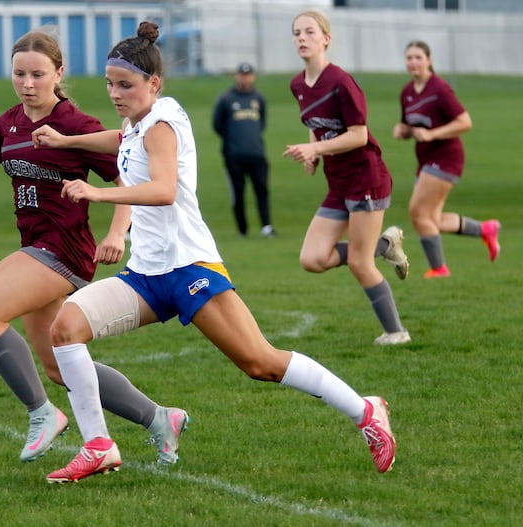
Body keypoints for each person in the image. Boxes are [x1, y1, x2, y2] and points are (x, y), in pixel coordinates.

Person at [31, 21, 397, 484]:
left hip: (189, 269)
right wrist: (67, 141)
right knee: (66, 329)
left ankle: (366, 410)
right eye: (109, 84)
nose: (115, 94)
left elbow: (164, 190)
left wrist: (96, 194)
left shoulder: (161, 124)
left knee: (259, 362)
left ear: (153, 83)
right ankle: (99, 446)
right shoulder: (138, 120)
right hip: (146, 275)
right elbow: (121, 140)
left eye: (125, 85)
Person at [0, 28, 188, 466]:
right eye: (19, 74)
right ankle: (159, 417)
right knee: (58, 366)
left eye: (37, 74)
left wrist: (118, 232)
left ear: (58, 73)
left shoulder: (75, 126)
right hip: (37, 249)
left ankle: (42, 413)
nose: (28, 83)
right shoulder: (9, 122)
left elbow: (129, 178)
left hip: (63, 250)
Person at [282, 10, 411, 346]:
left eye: (309, 32)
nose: (302, 38)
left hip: (366, 179)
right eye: (296, 33)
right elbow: (315, 127)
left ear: (326, 38)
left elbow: (358, 135)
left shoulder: (341, 82)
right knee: (312, 259)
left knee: (358, 261)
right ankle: (387, 244)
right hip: (338, 183)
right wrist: (312, 153)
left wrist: (316, 151)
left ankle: (397, 332)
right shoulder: (298, 84)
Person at [392, 40, 501, 278]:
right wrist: (403, 131)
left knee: (418, 213)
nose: (413, 62)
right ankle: (485, 229)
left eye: (418, 57)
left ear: (429, 60)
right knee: (433, 220)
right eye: (409, 58)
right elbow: (411, 124)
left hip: (446, 158)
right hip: (425, 160)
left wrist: (432, 134)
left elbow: (465, 122)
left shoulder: (439, 88)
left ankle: (439, 269)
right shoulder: (407, 93)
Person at [212, 62, 275, 238]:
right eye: (241, 74)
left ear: (253, 77)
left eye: (248, 75)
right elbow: (217, 125)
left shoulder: (258, 98)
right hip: (234, 155)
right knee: (238, 192)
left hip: (257, 153)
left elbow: (262, 122)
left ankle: (266, 226)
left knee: (262, 189)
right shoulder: (226, 99)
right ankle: (242, 229)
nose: (245, 78)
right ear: (236, 76)